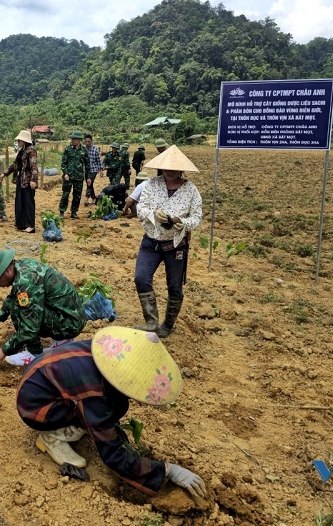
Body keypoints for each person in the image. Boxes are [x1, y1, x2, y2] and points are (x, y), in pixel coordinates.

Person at [16, 326, 206, 500]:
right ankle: (53, 436)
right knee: (97, 417)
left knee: (117, 405)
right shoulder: (95, 390)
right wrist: (166, 470)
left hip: (40, 381)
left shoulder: (106, 351)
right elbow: (113, 454)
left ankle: (70, 421)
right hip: (34, 408)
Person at [0, 249, 87, 368]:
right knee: (17, 301)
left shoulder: (25, 283)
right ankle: (62, 342)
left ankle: (33, 353)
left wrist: (1, 352)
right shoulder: (22, 266)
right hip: (71, 316)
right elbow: (12, 296)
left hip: (70, 324)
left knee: (18, 307)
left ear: (8, 270)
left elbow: (29, 329)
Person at [135, 146, 202, 336]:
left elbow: (197, 218)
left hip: (175, 245)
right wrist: (153, 215)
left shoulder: (191, 191)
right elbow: (141, 209)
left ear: (181, 169)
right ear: (161, 167)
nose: (170, 171)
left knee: (174, 286)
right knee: (141, 278)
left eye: (175, 168)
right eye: (167, 167)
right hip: (151, 242)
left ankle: (167, 325)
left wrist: (180, 222)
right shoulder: (151, 185)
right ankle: (152, 322)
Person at [4, 130, 39, 234]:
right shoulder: (22, 151)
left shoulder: (31, 150)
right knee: (20, 202)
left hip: (28, 181)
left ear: (24, 140)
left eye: (20, 139)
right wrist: (4, 174)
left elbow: (34, 166)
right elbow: (15, 165)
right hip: (21, 180)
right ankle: (21, 224)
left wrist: (33, 180)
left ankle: (30, 225)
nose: (18, 141)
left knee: (28, 203)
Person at [59, 130, 91, 219]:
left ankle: (74, 212)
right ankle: (62, 211)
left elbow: (87, 165)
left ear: (79, 140)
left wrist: (88, 177)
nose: (72, 140)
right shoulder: (67, 149)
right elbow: (63, 163)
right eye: (72, 139)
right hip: (68, 177)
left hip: (79, 177)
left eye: (74, 139)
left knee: (77, 195)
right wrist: (65, 173)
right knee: (65, 194)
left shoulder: (84, 151)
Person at [83, 134, 103, 206]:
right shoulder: (83, 149)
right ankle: (94, 198)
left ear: (91, 141)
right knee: (90, 184)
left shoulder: (95, 149)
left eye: (89, 141)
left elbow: (99, 160)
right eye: (86, 141)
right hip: (85, 170)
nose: (87, 143)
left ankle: (86, 198)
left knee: (89, 183)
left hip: (94, 169)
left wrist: (101, 170)